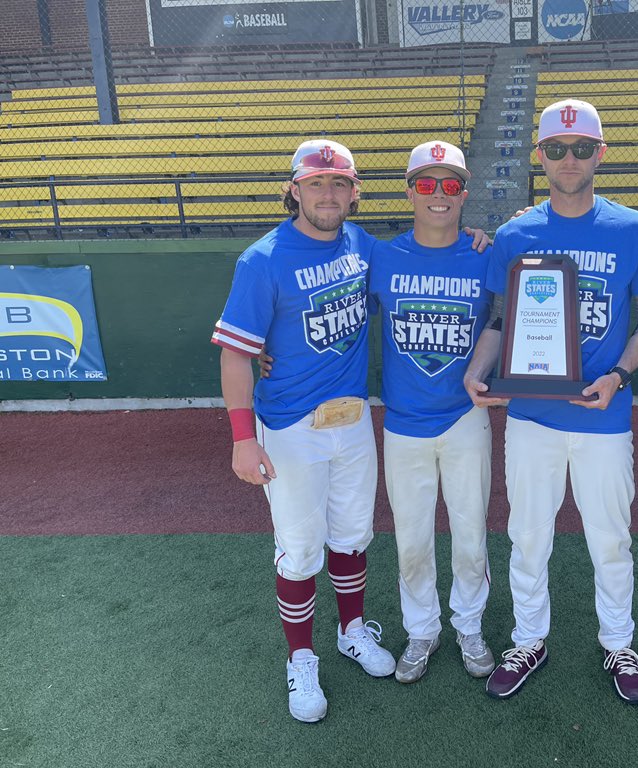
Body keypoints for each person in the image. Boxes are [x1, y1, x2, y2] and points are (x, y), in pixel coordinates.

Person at [463, 99, 638, 703]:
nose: (568, 159)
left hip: (602, 417)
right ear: (539, 156)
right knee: (528, 536)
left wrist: (621, 377)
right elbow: (499, 318)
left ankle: (617, 642)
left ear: (600, 154)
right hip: (530, 415)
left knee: (611, 537)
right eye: (555, 148)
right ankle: (529, 639)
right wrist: (478, 372)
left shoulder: (634, 229)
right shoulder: (517, 234)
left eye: (580, 149)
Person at [211, 140, 396, 723]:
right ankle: (301, 659)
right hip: (290, 426)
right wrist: (244, 436)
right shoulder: (262, 259)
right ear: (295, 187)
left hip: (353, 419)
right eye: (316, 183)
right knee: (299, 550)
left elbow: (422, 260)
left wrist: (482, 239)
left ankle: (351, 630)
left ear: (354, 192)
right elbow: (237, 355)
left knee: (353, 534)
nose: (328, 193)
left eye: (339, 183)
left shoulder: (360, 245)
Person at [368, 142, 495, 683]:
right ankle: (422, 628)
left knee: (471, 536)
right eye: (426, 184)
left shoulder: (486, 253)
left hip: (465, 418)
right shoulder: (382, 257)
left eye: (450, 185)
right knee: (412, 539)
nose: (438, 195)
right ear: (409, 191)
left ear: (464, 193)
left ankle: (469, 623)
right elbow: (336, 306)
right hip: (403, 421)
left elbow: (506, 318)